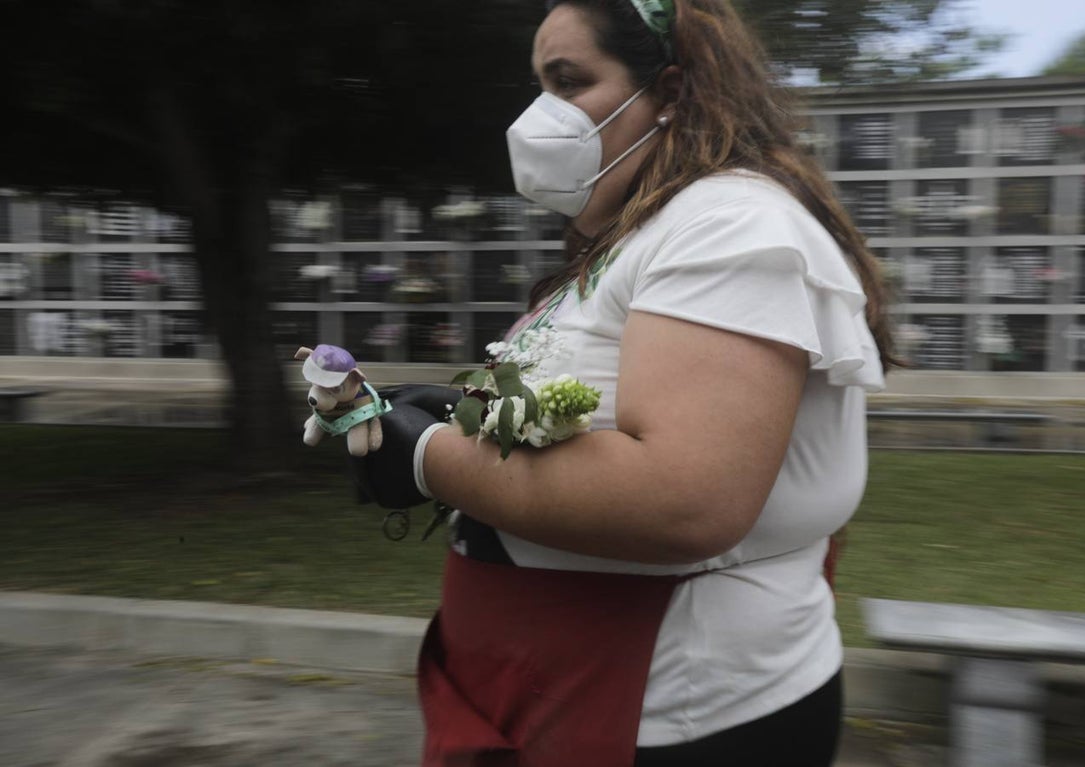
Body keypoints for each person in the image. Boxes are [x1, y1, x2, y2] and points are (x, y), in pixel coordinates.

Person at [350, 1, 896, 764]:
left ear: (671, 92)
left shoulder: (729, 222)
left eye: (569, 81)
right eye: (540, 83)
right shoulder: (636, 235)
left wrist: (429, 457)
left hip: (674, 715)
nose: (541, 112)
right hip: (552, 691)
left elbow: (681, 499)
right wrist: (465, 415)